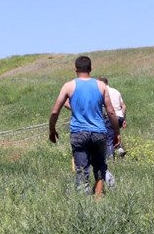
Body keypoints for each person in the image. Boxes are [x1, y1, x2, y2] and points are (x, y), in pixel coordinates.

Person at [49, 56, 120, 197]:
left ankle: (83, 198)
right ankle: (99, 197)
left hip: (79, 133)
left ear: (75, 69)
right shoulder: (101, 86)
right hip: (99, 132)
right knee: (100, 164)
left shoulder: (69, 86)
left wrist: (52, 129)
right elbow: (111, 111)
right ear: (90, 69)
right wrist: (116, 132)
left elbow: (55, 111)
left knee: (82, 167)